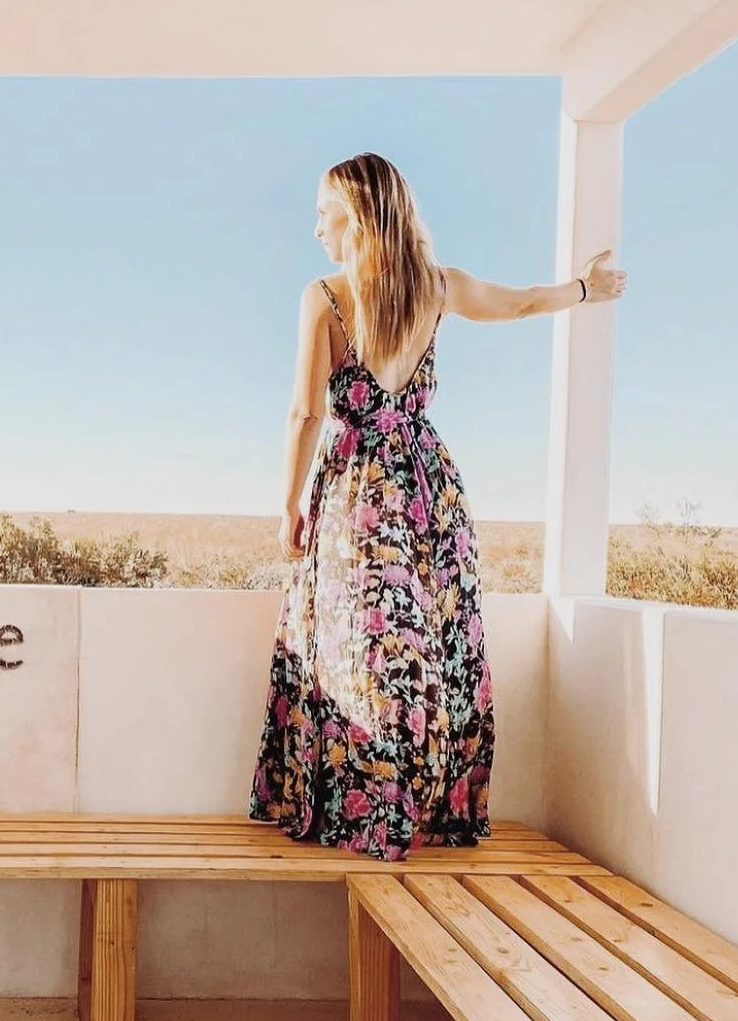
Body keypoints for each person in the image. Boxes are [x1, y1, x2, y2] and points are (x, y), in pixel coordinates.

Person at [248, 152, 626, 861]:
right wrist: (584, 287)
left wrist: (287, 506)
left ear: (356, 218)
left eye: (324, 214)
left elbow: (304, 412)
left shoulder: (325, 298)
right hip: (428, 484)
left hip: (360, 488)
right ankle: (429, 812)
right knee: (432, 647)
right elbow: (518, 303)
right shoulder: (437, 287)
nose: (316, 229)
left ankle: (366, 812)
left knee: (356, 645)